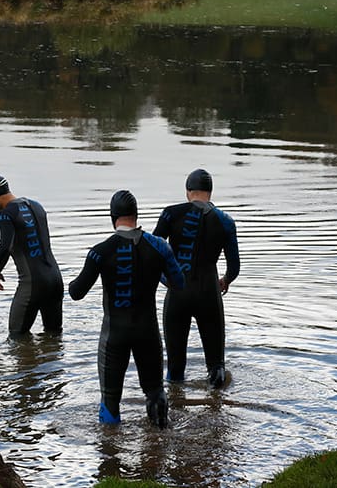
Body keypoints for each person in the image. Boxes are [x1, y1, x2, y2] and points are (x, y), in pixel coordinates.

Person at [69, 190, 184, 428]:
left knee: (110, 400)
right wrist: (152, 273)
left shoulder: (100, 251)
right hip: (148, 333)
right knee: (155, 391)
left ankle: (110, 456)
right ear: (136, 215)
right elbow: (178, 283)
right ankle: (159, 445)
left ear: (112, 217)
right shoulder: (159, 247)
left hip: (115, 336)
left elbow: (76, 292)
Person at [153, 169, 240, 388]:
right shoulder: (226, 221)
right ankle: (217, 410)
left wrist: (166, 279)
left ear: (187, 192)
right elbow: (235, 267)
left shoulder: (171, 214)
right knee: (217, 367)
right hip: (209, 293)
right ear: (210, 192)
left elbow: (152, 252)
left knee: (174, 368)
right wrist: (225, 280)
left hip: (177, 294)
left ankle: (174, 408)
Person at [0, 175, 63, 338]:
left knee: (16, 337)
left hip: (33, 284)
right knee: (53, 336)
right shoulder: (37, 206)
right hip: (55, 279)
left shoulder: (6, 215)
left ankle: (28, 362)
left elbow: (5, 246)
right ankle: (52, 364)